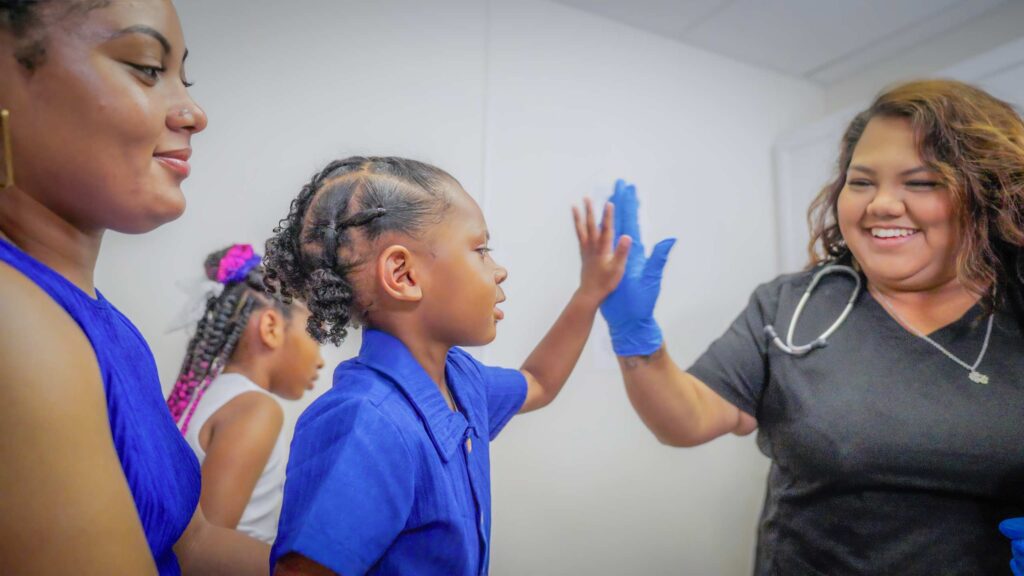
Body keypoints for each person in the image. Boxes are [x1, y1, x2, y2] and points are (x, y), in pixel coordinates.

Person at [600, 80, 1024, 574]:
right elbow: (686, 421)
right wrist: (637, 340)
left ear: (989, 195)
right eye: (861, 181)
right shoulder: (793, 305)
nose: (881, 204)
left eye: (922, 181)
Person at [262, 156, 629, 575]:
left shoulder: (461, 381)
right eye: (481, 250)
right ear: (403, 274)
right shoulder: (363, 422)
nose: (499, 270)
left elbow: (539, 383)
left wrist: (590, 292)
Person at [0, 1, 267, 572]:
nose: (194, 113)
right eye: (147, 67)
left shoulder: (108, 327)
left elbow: (189, 543)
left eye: (183, 78)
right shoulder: (13, 323)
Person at [168, 243, 324, 543]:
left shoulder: (204, 396)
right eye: (315, 333)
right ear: (271, 327)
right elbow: (201, 552)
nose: (320, 359)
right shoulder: (255, 409)